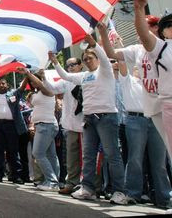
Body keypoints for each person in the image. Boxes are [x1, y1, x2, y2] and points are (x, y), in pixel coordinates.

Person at [49, 34, 130, 205]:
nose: (87, 60)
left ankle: (120, 191)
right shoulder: (84, 76)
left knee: (112, 155)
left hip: (107, 118)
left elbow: (103, 57)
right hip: (88, 120)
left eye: (90, 57)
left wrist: (93, 44)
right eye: (85, 59)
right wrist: (55, 61)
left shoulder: (105, 70)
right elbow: (65, 76)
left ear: (98, 59)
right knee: (88, 156)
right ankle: (88, 189)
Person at [133, 0, 172, 158]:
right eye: (169, 25)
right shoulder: (161, 49)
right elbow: (144, 34)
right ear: (163, 32)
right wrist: (139, 9)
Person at [42, 56, 85, 195]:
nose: (70, 67)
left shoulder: (86, 77)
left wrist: (55, 62)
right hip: (70, 124)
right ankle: (72, 183)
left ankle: (90, 185)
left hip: (87, 124)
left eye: (73, 64)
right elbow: (52, 88)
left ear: (81, 65)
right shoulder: (66, 81)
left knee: (87, 156)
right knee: (71, 157)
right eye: (68, 65)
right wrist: (43, 78)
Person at [22, 68, 60, 192]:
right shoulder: (37, 93)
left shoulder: (48, 89)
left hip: (46, 125)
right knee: (50, 155)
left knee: (38, 153)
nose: (33, 83)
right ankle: (53, 181)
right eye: (31, 81)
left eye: (35, 79)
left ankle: (52, 182)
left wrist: (28, 73)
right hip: (42, 125)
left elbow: (39, 83)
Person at [0, 77, 27, 184]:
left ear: (7, 85)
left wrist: (26, 76)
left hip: (11, 125)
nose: (1, 85)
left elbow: (21, 89)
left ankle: (16, 175)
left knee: (13, 151)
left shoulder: (13, 94)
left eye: (3, 83)